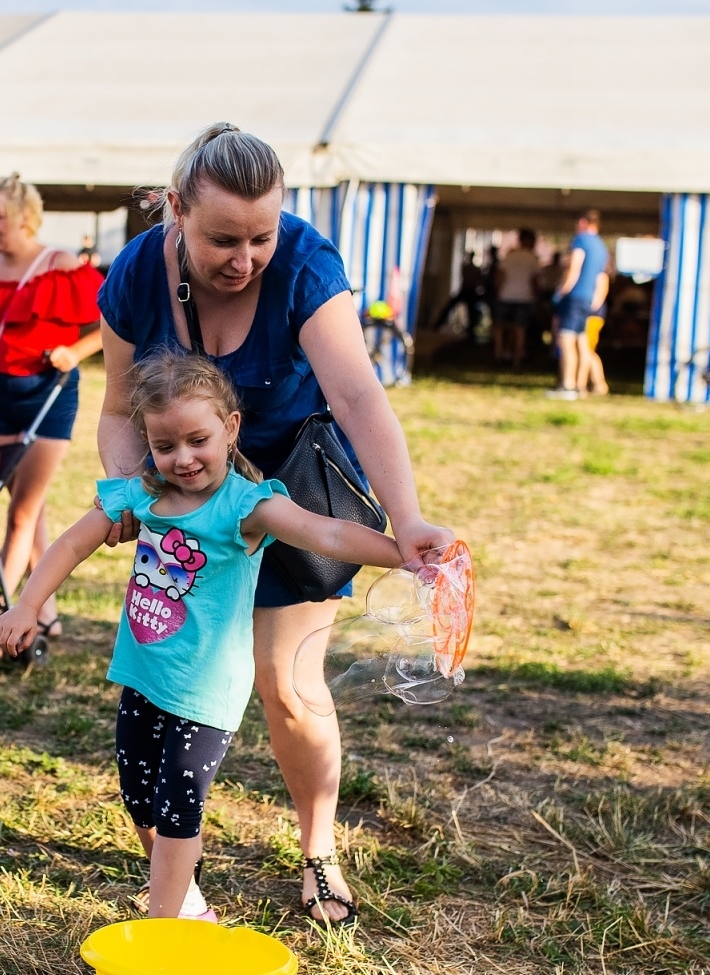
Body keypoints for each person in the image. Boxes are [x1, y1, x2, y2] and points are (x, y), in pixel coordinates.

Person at [95, 123, 452, 925]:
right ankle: (172, 880)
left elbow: (359, 397)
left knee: (287, 688)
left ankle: (319, 851)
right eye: (223, 238)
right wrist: (129, 493)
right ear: (176, 210)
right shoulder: (135, 275)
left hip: (289, 488)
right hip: (185, 494)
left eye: (261, 236)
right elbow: (118, 409)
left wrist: (408, 518)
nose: (245, 258)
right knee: (163, 693)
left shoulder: (305, 261)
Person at [0, 354, 403, 920]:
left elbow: (325, 531)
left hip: (206, 693)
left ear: (231, 429)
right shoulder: (139, 493)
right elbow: (69, 544)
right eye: (166, 446)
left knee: (179, 804)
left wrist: (403, 551)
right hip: (142, 675)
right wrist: (28, 603)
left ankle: (166, 924)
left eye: (197, 440)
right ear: (147, 442)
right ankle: (180, 893)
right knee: (139, 795)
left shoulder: (246, 506)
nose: (182, 459)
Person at [0, 175, 103, 658]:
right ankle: (48, 611)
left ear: (24, 218)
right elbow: (0, 324)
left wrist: (75, 351)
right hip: (0, 393)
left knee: (20, 513)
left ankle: (3, 614)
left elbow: (110, 323)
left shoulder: (59, 265)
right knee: (29, 507)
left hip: (49, 395)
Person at [546, 209, 608, 401]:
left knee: (565, 340)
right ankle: (580, 386)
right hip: (589, 300)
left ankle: (568, 385)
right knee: (582, 342)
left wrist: (561, 291)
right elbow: (601, 278)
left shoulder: (580, 241)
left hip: (574, 297)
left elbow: (574, 268)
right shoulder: (602, 247)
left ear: (583, 222)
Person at [493, 230, 541, 366]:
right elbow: (536, 280)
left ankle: (498, 355)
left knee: (500, 327)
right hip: (524, 297)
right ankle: (517, 360)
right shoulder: (532, 258)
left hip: (505, 295)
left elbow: (499, 275)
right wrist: (536, 295)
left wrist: (497, 291)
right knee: (520, 329)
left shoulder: (510, 256)